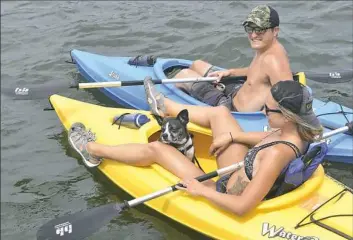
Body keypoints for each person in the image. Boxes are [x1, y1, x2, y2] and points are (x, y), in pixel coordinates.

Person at [68, 77, 323, 216]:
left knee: (159, 148)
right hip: (240, 169)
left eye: (268, 109)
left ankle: (91, 150)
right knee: (220, 115)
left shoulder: (277, 154)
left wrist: (201, 191)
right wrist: (233, 137)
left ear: (288, 115)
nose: (264, 112)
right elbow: (268, 138)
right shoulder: (300, 132)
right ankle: (165, 107)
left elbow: (243, 206)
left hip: (224, 190)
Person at [168, 5, 293, 112]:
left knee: (183, 75)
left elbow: (289, 100)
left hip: (230, 109)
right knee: (197, 65)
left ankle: (172, 106)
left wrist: (267, 114)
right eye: (250, 29)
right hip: (236, 92)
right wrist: (231, 72)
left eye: (260, 30)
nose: (253, 35)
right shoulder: (265, 47)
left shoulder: (274, 59)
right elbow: (258, 72)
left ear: (275, 31)